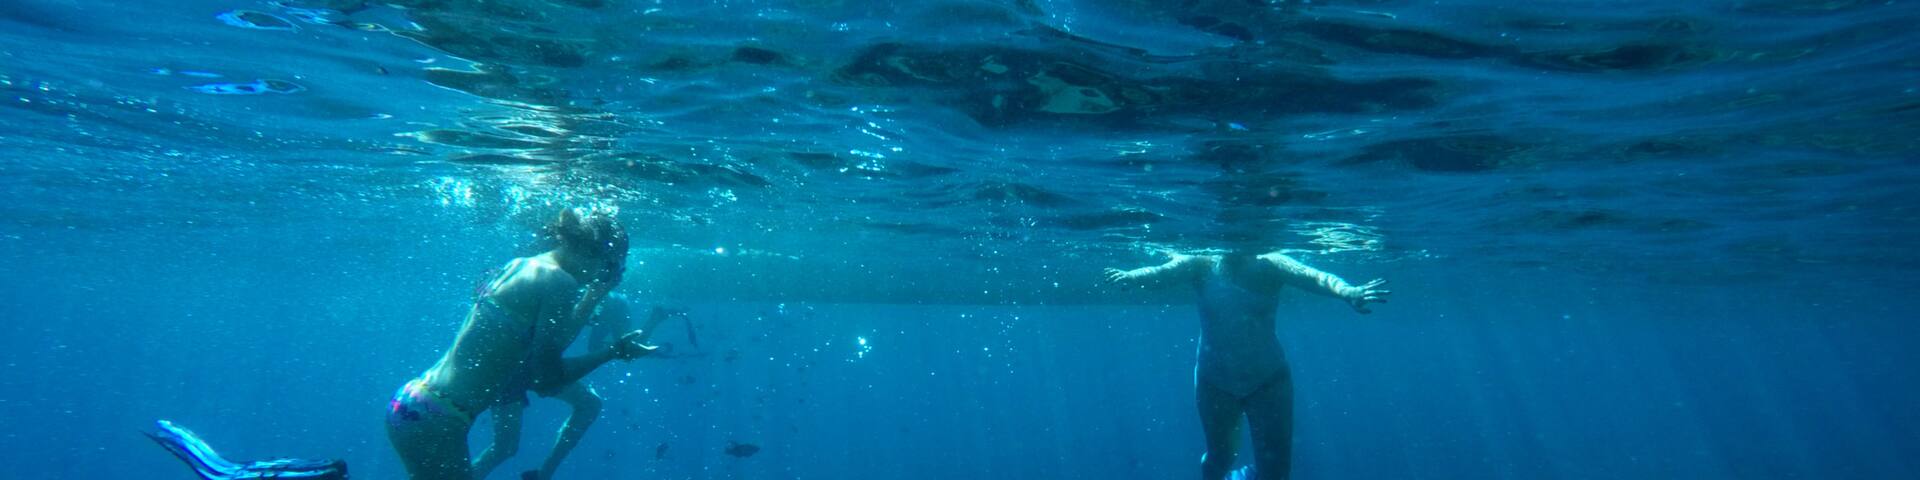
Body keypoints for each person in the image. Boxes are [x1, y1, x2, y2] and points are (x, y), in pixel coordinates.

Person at [385, 208, 665, 480]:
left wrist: (594, 294)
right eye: (609, 268)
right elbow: (547, 380)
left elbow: (553, 343)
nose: (601, 277)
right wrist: (612, 352)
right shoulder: (561, 283)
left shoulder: (523, 264)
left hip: (415, 402)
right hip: (439, 420)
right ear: (593, 252)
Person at [1105, 245, 1390, 480]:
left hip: (1269, 381)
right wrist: (1131, 277)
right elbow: (1162, 273)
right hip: (1214, 382)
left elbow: (1314, 277)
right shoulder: (1199, 262)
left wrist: (1348, 292)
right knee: (1219, 459)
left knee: (1276, 472)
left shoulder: (1271, 263)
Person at [471, 294, 683, 480]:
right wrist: (653, 322)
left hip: (516, 363)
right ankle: (544, 473)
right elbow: (626, 350)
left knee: (505, 447)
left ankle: (543, 474)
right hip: (526, 366)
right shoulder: (613, 301)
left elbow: (613, 347)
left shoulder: (591, 294)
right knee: (587, 405)